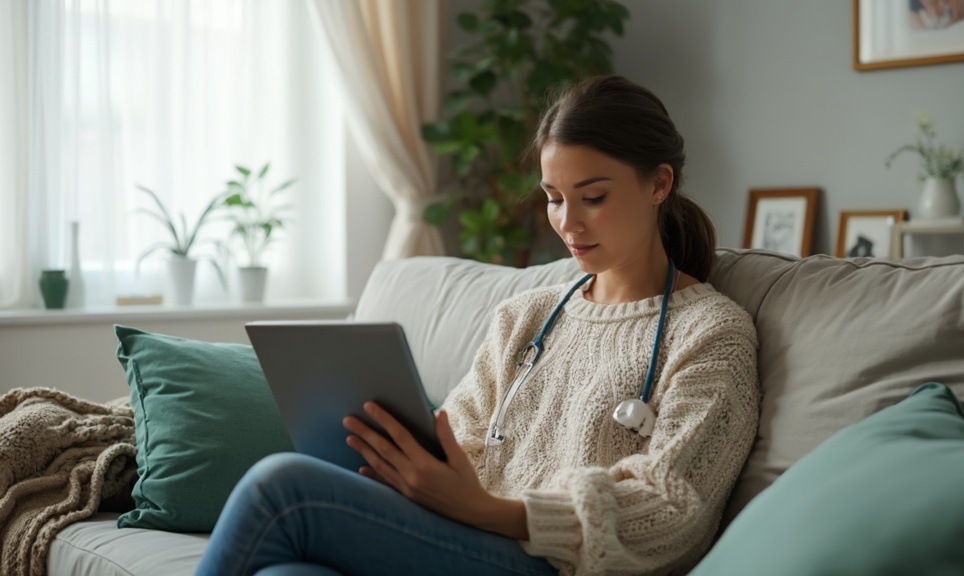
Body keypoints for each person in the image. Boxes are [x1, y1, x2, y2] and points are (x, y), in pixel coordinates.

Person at [195, 75, 760, 576]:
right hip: (462, 539)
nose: (568, 222)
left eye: (593, 197)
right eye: (554, 198)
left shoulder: (712, 334)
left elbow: (672, 513)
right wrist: (417, 476)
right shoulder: (527, 317)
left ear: (658, 185)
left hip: (548, 561)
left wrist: (488, 510)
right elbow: (460, 436)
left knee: (283, 488)